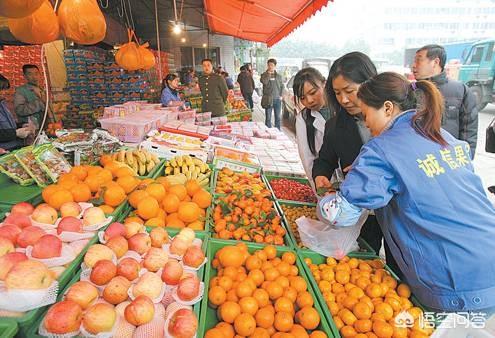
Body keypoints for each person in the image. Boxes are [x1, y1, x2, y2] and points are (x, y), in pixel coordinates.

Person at [319, 72, 495, 314]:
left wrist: (326, 197)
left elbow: (340, 215)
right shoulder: (441, 135)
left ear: (388, 108)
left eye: (366, 113)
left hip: (454, 280)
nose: (366, 122)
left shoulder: (382, 148)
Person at [312, 52, 400, 274]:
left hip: (398, 214)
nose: (343, 100)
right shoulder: (335, 126)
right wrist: (320, 176)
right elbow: (324, 160)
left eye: (350, 91)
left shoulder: (398, 121)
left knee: (399, 270)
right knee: (363, 270)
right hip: (361, 217)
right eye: (338, 93)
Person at [412, 44, 478, 157]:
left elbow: (469, 131)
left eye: (419, 60)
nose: (413, 66)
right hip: (420, 160)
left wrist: (467, 158)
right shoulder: (410, 92)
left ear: (435, 62)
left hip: (449, 158)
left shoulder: (461, 91)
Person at [292, 67, 330, 190]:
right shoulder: (303, 119)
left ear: (324, 84)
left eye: (313, 92)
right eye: (302, 97)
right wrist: (319, 190)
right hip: (324, 182)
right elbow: (307, 160)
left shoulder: (342, 109)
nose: (309, 100)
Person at [0, 74, 35, 150]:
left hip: (16, 146)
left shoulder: (2, 104)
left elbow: (8, 125)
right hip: (4, 150)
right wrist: (16, 133)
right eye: (2, 89)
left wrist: (22, 125)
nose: (5, 92)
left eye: (6, 89)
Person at [14, 64, 46, 129]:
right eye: (30, 74)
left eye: (36, 73)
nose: (34, 77)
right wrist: (39, 103)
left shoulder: (43, 90)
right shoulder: (20, 91)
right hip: (31, 128)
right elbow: (19, 110)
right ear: (25, 76)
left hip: (45, 126)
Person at [261, 58, 284, 129]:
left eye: (272, 65)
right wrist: (268, 74)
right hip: (268, 99)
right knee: (268, 118)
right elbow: (264, 82)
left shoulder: (279, 76)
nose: (270, 66)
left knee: (278, 117)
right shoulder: (264, 75)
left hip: (277, 99)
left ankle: (278, 132)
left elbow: (282, 86)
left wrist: (281, 95)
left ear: (275, 66)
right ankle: (268, 132)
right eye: (269, 65)